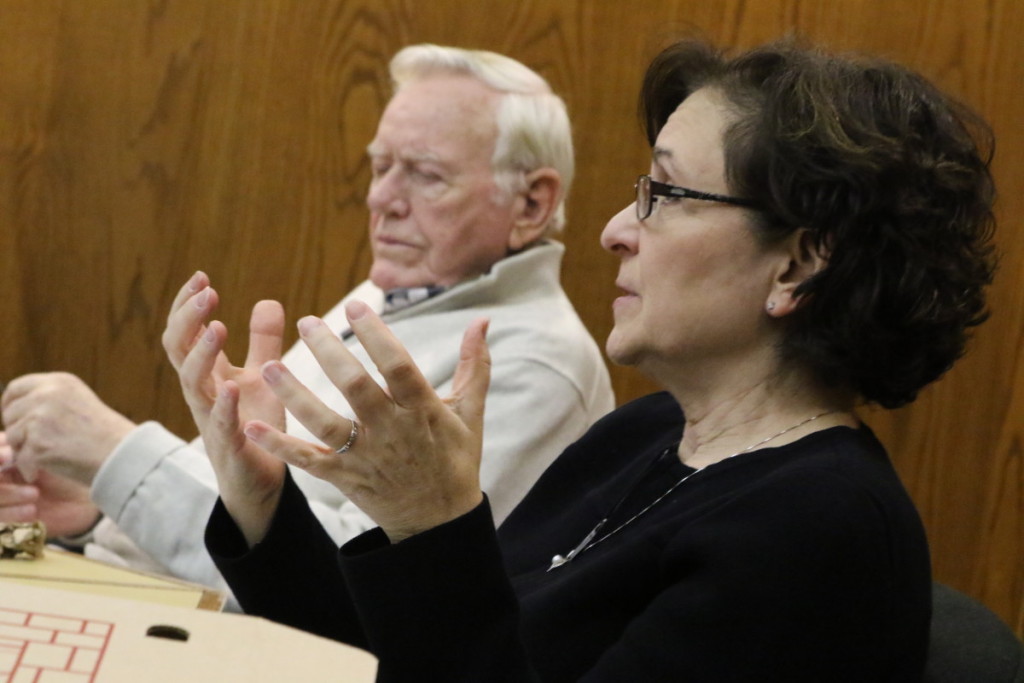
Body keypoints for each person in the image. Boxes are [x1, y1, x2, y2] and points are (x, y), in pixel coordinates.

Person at [177, 37, 995, 681]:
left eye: (665, 196)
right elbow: (388, 659)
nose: (614, 229)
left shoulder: (822, 530)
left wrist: (433, 522)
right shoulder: (644, 433)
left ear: (797, 264)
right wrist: (263, 502)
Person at [0, 44, 614, 604]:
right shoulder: (410, 288)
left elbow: (351, 592)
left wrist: (117, 455)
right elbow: (252, 496)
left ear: (531, 204)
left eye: (426, 174)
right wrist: (96, 510)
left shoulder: (534, 363)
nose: (382, 198)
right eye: (381, 167)